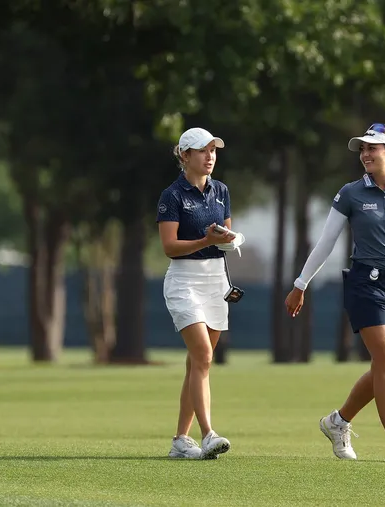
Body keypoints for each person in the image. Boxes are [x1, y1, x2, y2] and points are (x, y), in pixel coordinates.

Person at [284, 121, 385, 463]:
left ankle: (337, 421)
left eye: (372, 148)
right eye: (362, 149)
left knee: (383, 369)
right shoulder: (350, 193)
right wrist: (300, 284)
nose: (365, 153)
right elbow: (326, 242)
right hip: (365, 282)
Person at [156, 127, 244, 460]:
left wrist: (229, 238)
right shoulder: (172, 195)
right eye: (202, 151)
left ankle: (181, 439)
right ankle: (208, 434)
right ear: (185, 156)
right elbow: (169, 247)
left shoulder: (221, 190)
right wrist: (206, 241)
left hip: (215, 281)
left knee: (197, 362)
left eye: (213, 151)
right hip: (183, 281)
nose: (210, 157)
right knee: (204, 357)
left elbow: (226, 235)